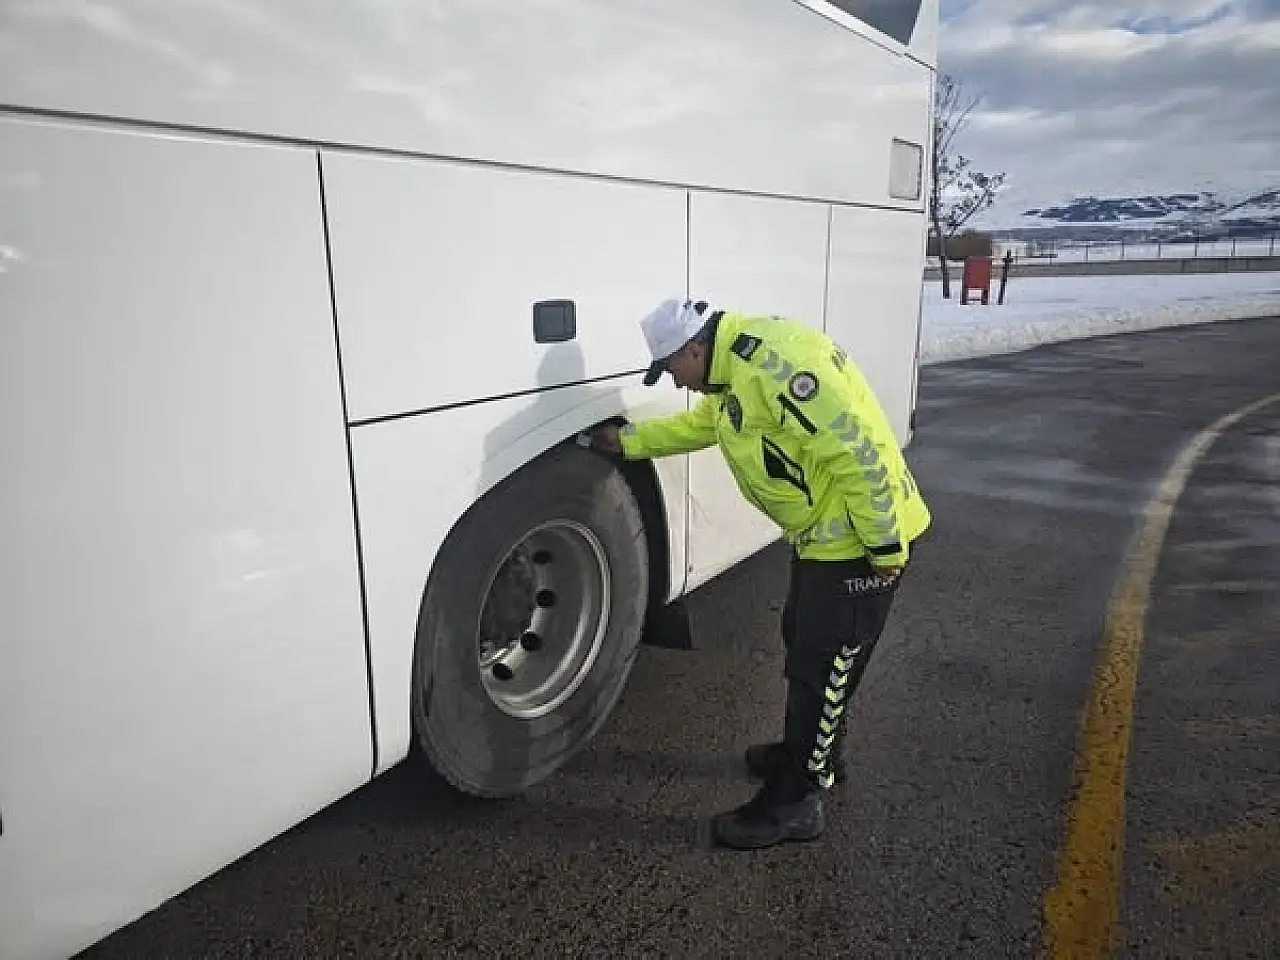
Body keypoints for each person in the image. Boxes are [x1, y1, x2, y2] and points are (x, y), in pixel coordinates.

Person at [589, 298, 931, 850]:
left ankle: (796, 802)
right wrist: (629, 443)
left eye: (672, 369)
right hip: (826, 537)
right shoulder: (733, 374)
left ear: (693, 349)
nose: (675, 382)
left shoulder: (778, 370)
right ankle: (817, 753)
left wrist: (884, 546)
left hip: (859, 541)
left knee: (822, 667)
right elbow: (707, 425)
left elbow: (859, 452)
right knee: (807, 646)